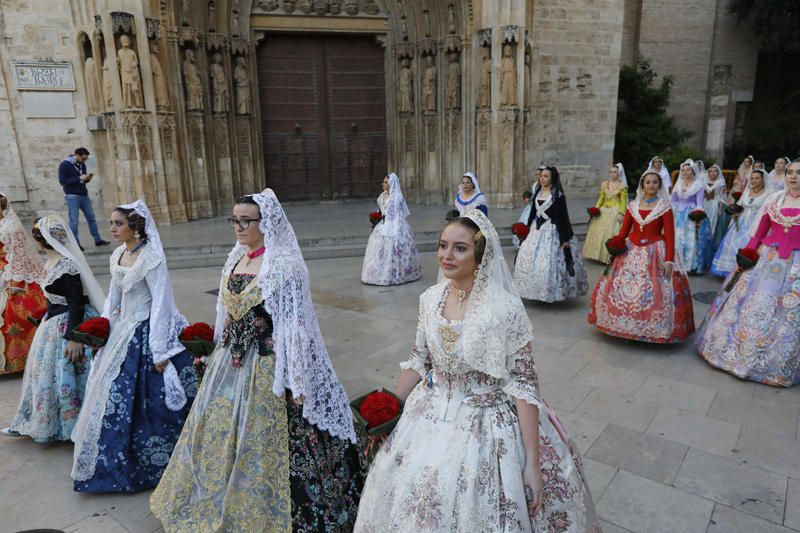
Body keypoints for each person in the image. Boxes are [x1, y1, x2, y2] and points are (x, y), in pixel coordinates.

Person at [354, 210, 601, 532]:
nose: (447, 255)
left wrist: (531, 462)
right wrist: (389, 404)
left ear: (480, 253)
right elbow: (419, 358)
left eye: (460, 248)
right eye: (443, 246)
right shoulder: (429, 299)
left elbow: (524, 384)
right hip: (428, 412)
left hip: (489, 419)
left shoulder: (504, 308)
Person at [152, 190, 364, 531]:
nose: (238, 226)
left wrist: (297, 378)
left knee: (277, 441)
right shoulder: (236, 258)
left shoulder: (285, 266)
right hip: (231, 361)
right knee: (218, 431)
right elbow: (225, 314)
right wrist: (212, 351)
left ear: (265, 223)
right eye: (234, 220)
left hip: (269, 364)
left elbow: (295, 327)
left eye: (245, 220)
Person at [70, 200, 197, 493]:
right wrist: (101, 328)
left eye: (119, 224)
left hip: (145, 330)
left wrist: (158, 349)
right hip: (121, 328)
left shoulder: (151, 258)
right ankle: (107, 463)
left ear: (135, 227)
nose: (113, 229)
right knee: (107, 394)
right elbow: (113, 299)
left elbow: (161, 304)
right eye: (112, 223)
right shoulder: (118, 254)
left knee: (141, 397)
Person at [696, 159, 800, 387]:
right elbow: (758, 234)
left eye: (798, 173)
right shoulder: (774, 200)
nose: (793, 177)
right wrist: (746, 256)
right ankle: (734, 352)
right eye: (790, 172)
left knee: (786, 313)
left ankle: (772, 364)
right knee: (750, 303)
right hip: (766, 260)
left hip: (795, 266)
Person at [3, 213, 104, 442]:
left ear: (39, 239)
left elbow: (76, 302)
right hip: (52, 324)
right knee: (44, 377)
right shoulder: (52, 262)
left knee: (65, 374)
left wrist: (74, 337)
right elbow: (54, 295)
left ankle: (73, 426)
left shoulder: (67, 265)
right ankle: (37, 420)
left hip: (67, 325)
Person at [588, 171, 695, 343]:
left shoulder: (664, 207)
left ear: (658, 185)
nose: (651, 185)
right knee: (624, 290)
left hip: (655, 251)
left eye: (654, 182)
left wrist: (669, 260)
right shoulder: (632, 206)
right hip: (631, 249)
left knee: (651, 290)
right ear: (642, 185)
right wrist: (615, 248)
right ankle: (624, 327)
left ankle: (649, 329)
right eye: (648, 182)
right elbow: (624, 231)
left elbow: (669, 235)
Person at [514, 166, 588, 302]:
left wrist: (564, 238)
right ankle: (534, 291)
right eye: (541, 176)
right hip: (536, 229)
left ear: (552, 178)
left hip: (551, 230)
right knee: (529, 259)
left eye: (546, 176)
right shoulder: (537, 192)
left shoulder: (558, 195)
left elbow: (563, 218)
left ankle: (550, 293)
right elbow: (532, 213)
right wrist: (525, 229)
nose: (542, 178)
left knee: (548, 263)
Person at [0, 193, 47, 375]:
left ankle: (20, 360)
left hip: (10, 273)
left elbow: (18, 257)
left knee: (13, 312)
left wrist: (15, 281)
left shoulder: (11, 228)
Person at [361, 173, 423, 286]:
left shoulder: (396, 197)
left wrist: (398, 231)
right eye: (383, 182)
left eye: (385, 182)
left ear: (391, 184)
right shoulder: (382, 196)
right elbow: (381, 210)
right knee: (379, 250)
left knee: (394, 251)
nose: (383, 184)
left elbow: (398, 214)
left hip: (395, 225)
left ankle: (396, 274)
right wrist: (375, 221)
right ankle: (378, 274)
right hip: (383, 225)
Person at [710, 169, 770, 277]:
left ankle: (743, 269)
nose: (754, 180)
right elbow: (740, 204)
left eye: (757, 178)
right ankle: (729, 270)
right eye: (752, 178)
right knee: (731, 242)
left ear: (763, 179)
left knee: (747, 243)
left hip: (756, 222)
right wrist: (735, 212)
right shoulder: (747, 191)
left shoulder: (768, 194)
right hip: (741, 221)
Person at [58, 148, 109, 249]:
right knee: (74, 221)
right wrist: (78, 178)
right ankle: (75, 244)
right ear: (76, 155)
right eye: (83, 158)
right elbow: (62, 181)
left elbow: (82, 180)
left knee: (92, 218)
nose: (84, 161)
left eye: (85, 159)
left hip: (84, 195)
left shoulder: (82, 164)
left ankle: (97, 240)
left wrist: (87, 179)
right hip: (72, 196)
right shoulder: (65, 165)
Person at [671, 159, 714, 274]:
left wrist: (697, 216)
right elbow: (673, 200)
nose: (685, 172)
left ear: (693, 171)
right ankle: (675, 263)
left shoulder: (698, 185)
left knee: (690, 239)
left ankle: (689, 265)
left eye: (688, 170)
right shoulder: (679, 183)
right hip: (677, 213)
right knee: (676, 237)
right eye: (683, 170)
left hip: (691, 214)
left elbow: (700, 203)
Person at [583, 163, 628, 263]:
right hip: (604, 210)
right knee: (598, 232)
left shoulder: (622, 186)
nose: (612, 174)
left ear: (618, 173)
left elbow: (623, 201)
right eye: (611, 172)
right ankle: (597, 255)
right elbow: (601, 198)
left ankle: (609, 256)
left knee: (611, 232)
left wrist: (621, 213)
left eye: (614, 172)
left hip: (615, 210)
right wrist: (596, 208)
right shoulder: (604, 184)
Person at [703, 163, 728, 248]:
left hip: (714, 204)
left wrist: (719, 206)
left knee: (712, 221)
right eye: (710, 171)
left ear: (718, 173)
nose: (712, 173)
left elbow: (722, 196)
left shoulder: (720, 182)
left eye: (714, 171)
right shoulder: (704, 182)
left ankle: (710, 239)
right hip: (704, 203)